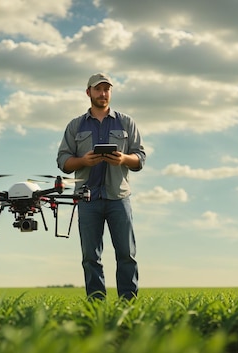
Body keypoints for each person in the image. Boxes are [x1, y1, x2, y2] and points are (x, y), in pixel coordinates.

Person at [57, 73, 146, 300]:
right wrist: (83, 161)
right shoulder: (75, 126)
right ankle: (96, 305)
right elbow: (63, 163)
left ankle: (128, 303)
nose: (103, 94)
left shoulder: (127, 122)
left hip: (119, 198)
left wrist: (124, 159)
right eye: (98, 89)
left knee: (126, 254)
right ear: (88, 92)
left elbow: (140, 158)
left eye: (107, 89)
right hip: (87, 199)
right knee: (90, 257)